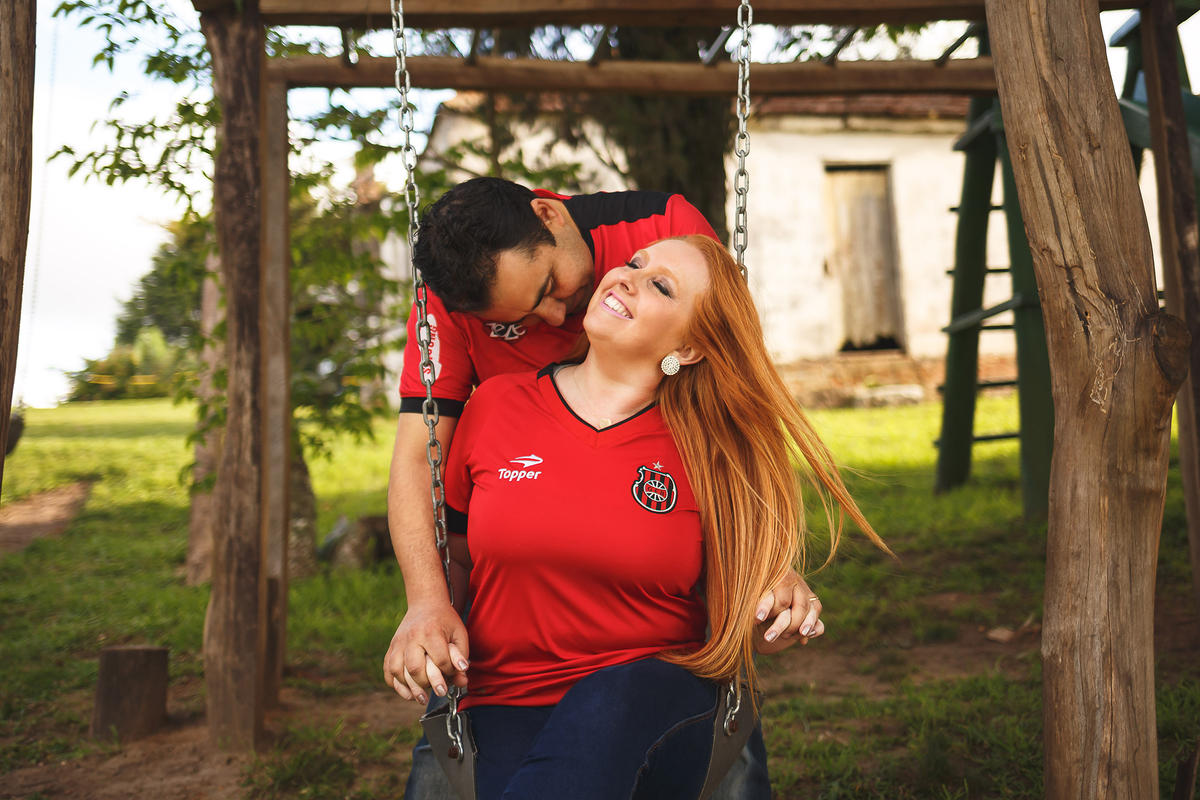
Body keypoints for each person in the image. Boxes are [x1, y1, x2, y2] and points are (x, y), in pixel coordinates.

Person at [384, 236, 887, 799]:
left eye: (661, 286)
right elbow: (456, 557)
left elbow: (748, 630)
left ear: (691, 348)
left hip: (658, 703)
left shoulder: (708, 447)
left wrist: (779, 615)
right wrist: (424, 614)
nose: (627, 276)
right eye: (635, 263)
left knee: (614, 695)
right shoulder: (496, 405)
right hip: (506, 702)